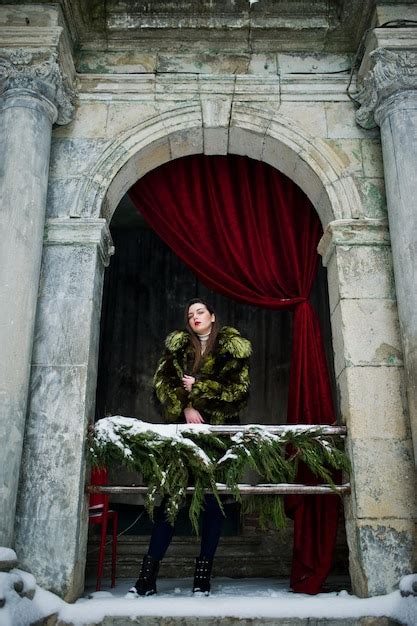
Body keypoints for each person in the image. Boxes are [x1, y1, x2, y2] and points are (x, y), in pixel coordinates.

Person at [128, 298, 251, 597]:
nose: (195, 317)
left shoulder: (231, 349)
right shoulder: (178, 348)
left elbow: (238, 393)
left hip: (216, 439)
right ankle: (148, 576)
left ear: (212, 316)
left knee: (212, 505)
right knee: (170, 502)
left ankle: (202, 578)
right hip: (182, 438)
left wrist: (198, 389)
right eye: (190, 314)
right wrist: (185, 408)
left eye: (200, 312)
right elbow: (162, 387)